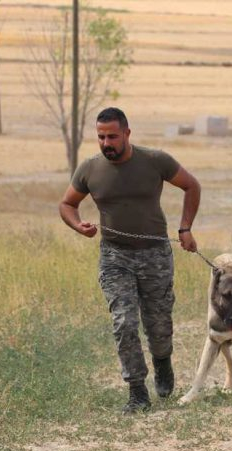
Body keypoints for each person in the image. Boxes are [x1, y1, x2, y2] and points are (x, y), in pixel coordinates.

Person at [59, 107, 201, 414]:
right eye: (100, 137)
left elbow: (192, 185)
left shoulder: (155, 161)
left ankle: (163, 362)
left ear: (127, 133)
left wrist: (185, 228)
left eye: (112, 136)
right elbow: (67, 204)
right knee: (124, 322)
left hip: (155, 255)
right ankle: (137, 392)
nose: (106, 142)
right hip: (114, 257)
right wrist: (77, 224)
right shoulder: (89, 169)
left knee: (158, 326)